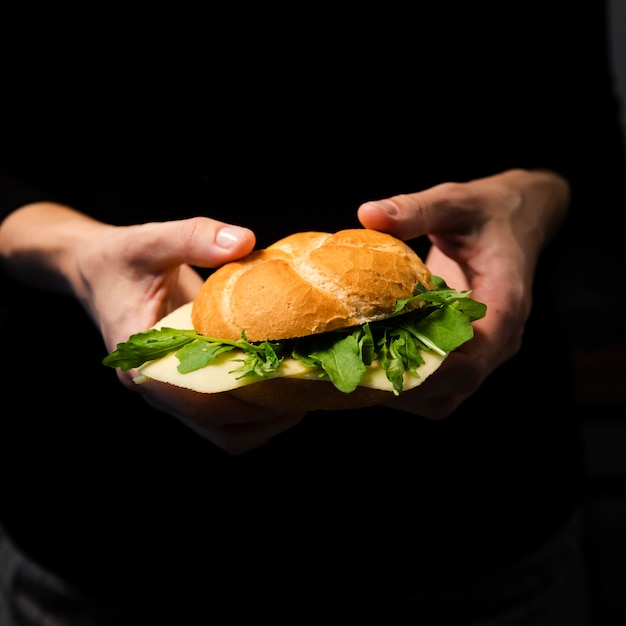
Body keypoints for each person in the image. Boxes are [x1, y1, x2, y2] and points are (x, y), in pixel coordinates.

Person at [0, 2, 623, 624]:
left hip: (480, 509)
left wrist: (530, 201)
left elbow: (583, 133)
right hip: (114, 527)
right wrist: (72, 252)